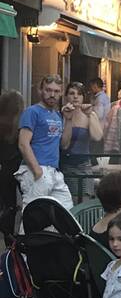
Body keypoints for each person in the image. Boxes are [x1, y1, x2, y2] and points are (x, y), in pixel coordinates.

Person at [16, 74, 73, 209]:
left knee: (66, 211)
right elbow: (23, 144)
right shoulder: (32, 111)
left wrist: (69, 119)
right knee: (33, 215)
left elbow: (64, 145)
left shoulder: (58, 115)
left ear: (61, 94)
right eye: (48, 90)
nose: (52, 94)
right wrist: (37, 171)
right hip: (36, 168)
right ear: (40, 90)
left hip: (54, 171)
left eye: (56, 91)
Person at [0, 91, 24, 240]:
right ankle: (21, 233)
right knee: (27, 199)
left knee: (8, 203)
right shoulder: (21, 124)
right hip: (19, 166)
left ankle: (7, 233)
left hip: (4, 167)